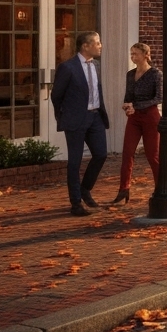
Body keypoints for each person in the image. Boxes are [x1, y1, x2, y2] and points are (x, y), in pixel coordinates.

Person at [50, 31, 109, 216]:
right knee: (74, 162)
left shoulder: (96, 65)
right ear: (85, 46)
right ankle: (76, 203)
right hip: (75, 120)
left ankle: (85, 189)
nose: (100, 46)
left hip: (95, 118)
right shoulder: (68, 67)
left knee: (100, 154)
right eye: (97, 43)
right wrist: (64, 116)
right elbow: (56, 95)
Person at [112, 42, 160, 206]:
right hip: (134, 118)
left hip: (150, 116)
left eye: (136, 54)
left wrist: (136, 106)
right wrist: (127, 106)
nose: (133, 57)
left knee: (152, 155)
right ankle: (124, 189)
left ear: (146, 55)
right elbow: (128, 96)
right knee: (127, 153)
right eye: (131, 54)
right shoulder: (130, 74)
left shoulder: (155, 74)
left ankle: (160, 188)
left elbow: (158, 98)